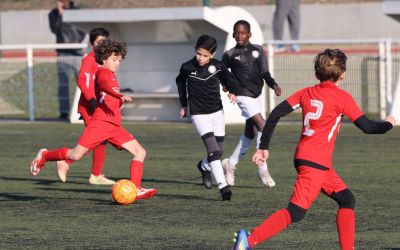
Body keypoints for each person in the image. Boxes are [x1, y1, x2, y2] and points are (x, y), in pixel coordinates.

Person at [233, 49, 395, 250]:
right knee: (296, 212)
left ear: (317, 73)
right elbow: (369, 127)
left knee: (347, 199)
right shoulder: (342, 97)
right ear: (343, 74)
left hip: (310, 160)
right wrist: (388, 123)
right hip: (315, 164)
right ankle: (249, 241)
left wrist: (264, 146)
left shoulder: (306, 93)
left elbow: (275, 113)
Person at [30, 40, 157, 200]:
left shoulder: (113, 76)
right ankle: (45, 155)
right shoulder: (102, 73)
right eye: (114, 59)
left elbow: (108, 98)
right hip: (100, 124)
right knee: (75, 155)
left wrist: (119, 103)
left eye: (119, 60)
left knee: (140, 152)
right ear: (104, 59)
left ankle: (136, 188)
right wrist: (119, 95)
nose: (117, 63)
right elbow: (104, 87)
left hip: (114, 126)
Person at [176, 35, 237, 201]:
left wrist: (231, 91)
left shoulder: (218, 66)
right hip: (198, 113)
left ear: (213, 55)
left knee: (219, 151)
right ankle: (223, 187)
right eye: (198, 54)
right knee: (213, 151)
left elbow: (228, 79)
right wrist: (184, 104)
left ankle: (204, 166)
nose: (201, 58)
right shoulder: (187, 67)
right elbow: (180, 83)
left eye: (205, 55)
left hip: (217, 112)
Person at [221, 20, 281, 188]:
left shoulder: (258, 51)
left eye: (243, 33)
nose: (239, 35)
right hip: (242, 96)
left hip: (256, 95)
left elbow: (264, 72)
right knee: (263, 124)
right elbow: (222, 72)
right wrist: (227, 87)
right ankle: (262, 167)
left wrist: (273, 84)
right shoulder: (230, 54)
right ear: (233, 34)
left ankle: (230, 164)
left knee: (250, 132)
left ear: (249, 34)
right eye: (236, 32)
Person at [56, 27, 114, 185]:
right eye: (99, 42)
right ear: (92, 44)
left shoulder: (106, 59)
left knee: (100, 139)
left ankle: (96, 175)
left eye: (105, 41)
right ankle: (64, 162)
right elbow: (82, 80)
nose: (102, 44)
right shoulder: (90, 59)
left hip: (100, 106)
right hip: (90, 106)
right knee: (95, 138)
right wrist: (92, 100)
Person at [49, 0, 86, 120]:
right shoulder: (53, 14)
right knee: (63, 84)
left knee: (82, 83)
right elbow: (55, 29)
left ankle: (83, 111)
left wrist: (78, 42)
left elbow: (82, 30)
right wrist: (61, 13)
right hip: (62, 51)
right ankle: (64, 112)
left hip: (76, 51)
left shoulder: (77, 12)